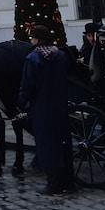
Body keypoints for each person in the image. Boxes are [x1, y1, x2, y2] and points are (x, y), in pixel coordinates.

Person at [18, 24, 75, 196]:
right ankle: (69, 181)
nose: (31, 40)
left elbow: (27, 85)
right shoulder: (60, 55)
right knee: (63, 143)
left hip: (42, 106)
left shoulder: (33, 58)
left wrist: (21, 103)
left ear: (38, 39)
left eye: (33, 37)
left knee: (47, 144)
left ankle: (53, 184)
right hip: (60, 104)